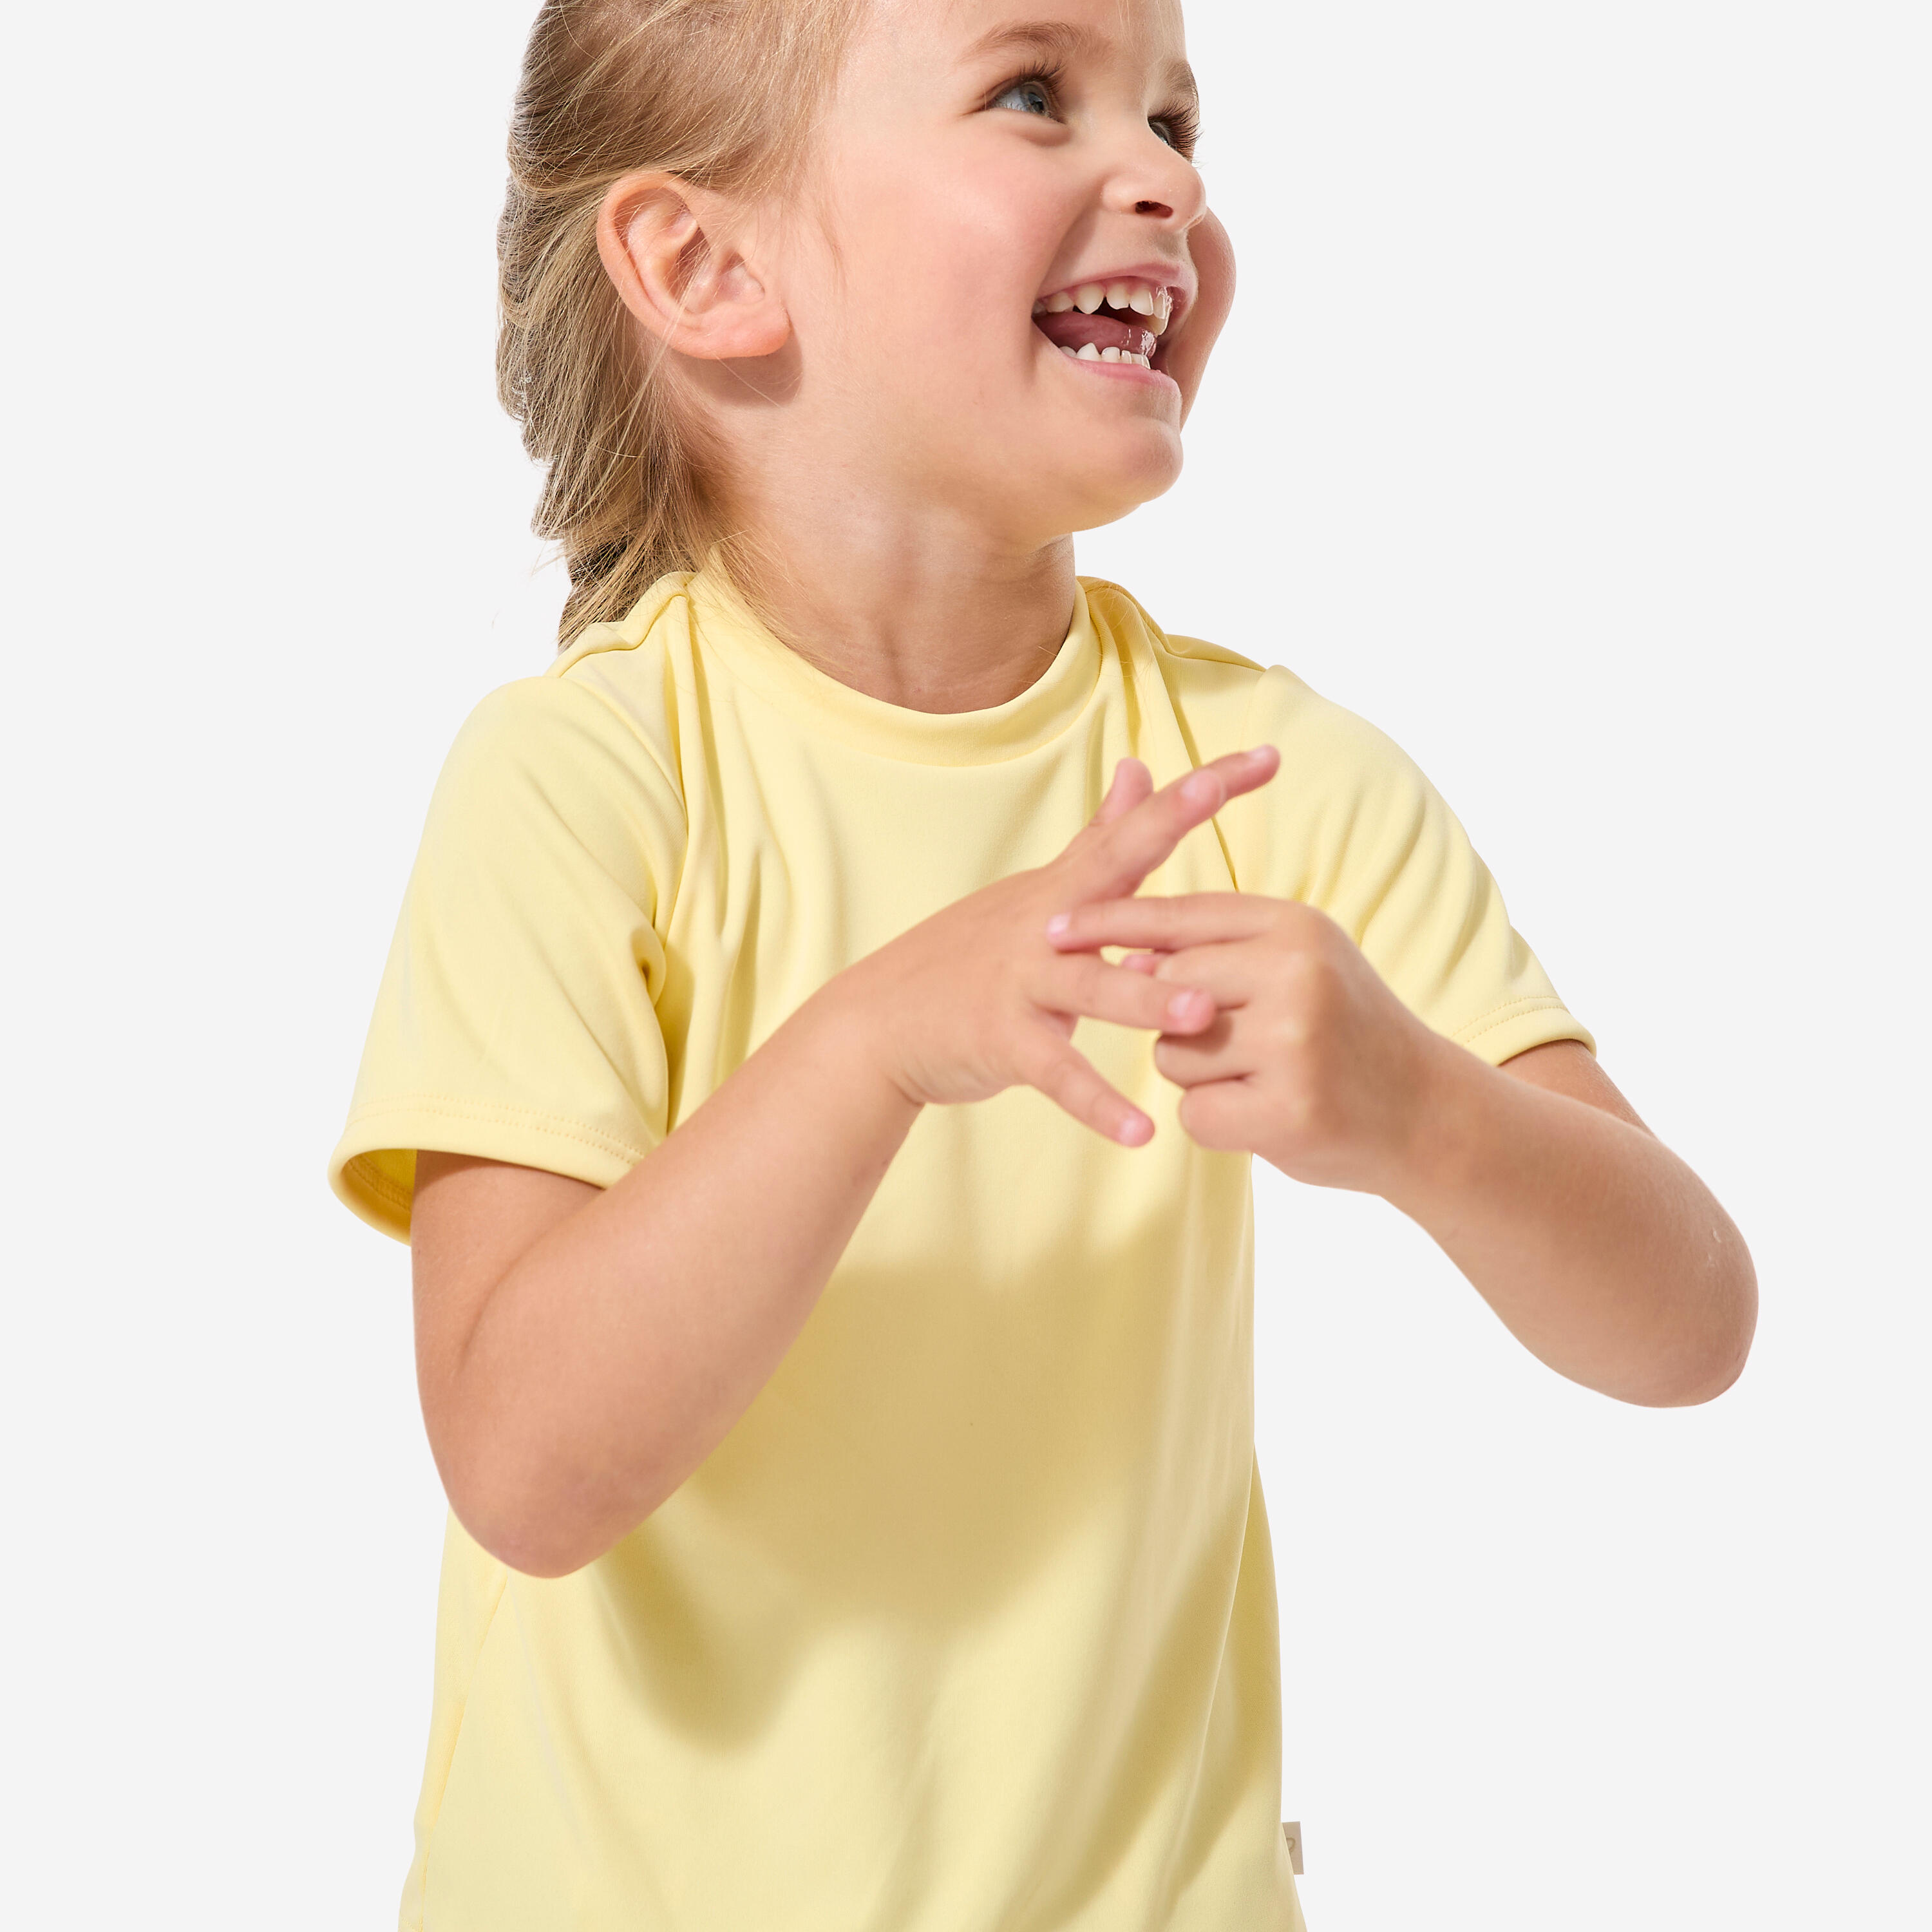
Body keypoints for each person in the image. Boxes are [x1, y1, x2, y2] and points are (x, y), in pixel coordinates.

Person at [328, 1, 1757, 1926]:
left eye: (1176, 116)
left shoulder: (1261, 775)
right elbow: (527, 1465)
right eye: (1034, 93)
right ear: (705, 266)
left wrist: (1428, 1115)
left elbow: (1688, 1324)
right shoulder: (584, 782)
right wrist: (875, 1043)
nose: (1162, 176)